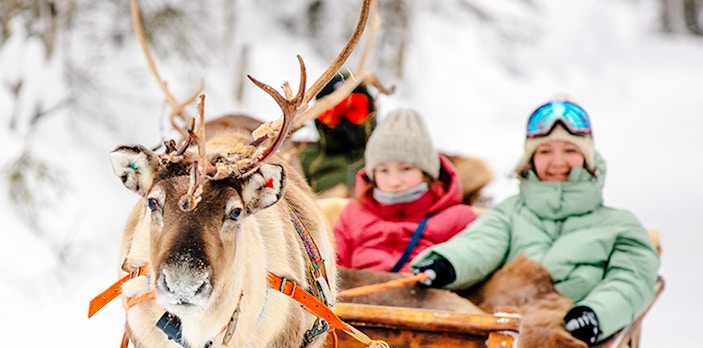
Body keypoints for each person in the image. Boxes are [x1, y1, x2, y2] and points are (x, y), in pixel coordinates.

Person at [410, 97, 660, 346]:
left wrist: (594, 314)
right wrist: (447, 263)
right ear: (530, 159)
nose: (558, 162)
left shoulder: (621, 226)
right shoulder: (510, 213)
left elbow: (631, 280)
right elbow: (479, 244)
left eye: (570, 150)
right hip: (499, 332)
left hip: (566, 336)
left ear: (588, 158)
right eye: (545, 151)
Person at [334, 108, 478, 273]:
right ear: (372, 174)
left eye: (406, 169)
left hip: (426, 296)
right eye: (383, 171)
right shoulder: (352, 215)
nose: (394, 182)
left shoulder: (459, 219)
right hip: (356, 295)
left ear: (425, 172)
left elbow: (471, 262)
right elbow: (333, 266)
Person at [297, 71, 377, 198]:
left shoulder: (386, 161)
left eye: (353, 109)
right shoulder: (303, 161)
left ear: (371, 111)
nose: (344, 121)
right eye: (332, 112)